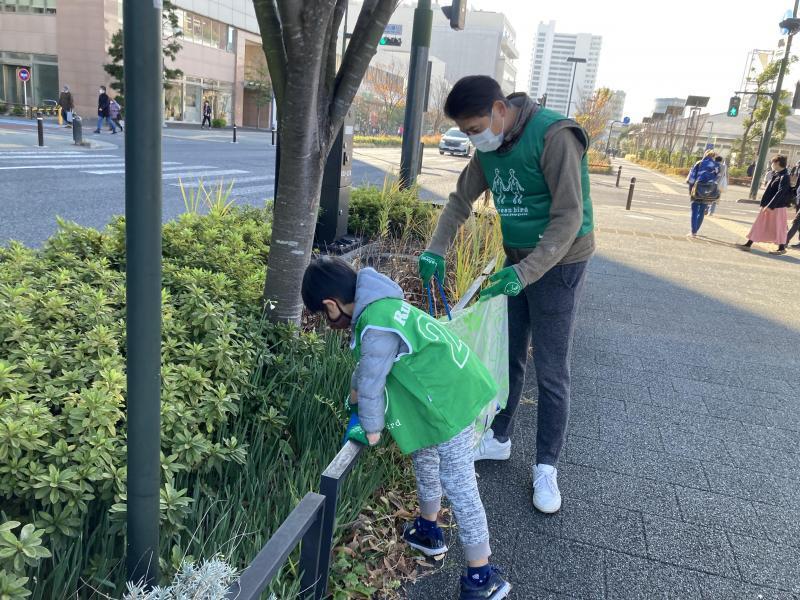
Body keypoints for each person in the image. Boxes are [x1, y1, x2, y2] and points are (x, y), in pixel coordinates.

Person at [418, 75, 594, 514]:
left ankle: (546, 467)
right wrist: (436, 249)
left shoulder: (555, 136)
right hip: (517, 257)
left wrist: (526, 272)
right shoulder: (488, 151)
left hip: (562, 261)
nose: (475, 138)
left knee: (552, 370)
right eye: (467, 132)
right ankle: (499, 438)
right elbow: (460, 200)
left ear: (500, 109)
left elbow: (569, 217)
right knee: (508, 355)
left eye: (476, 127)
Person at [302, 256, 511, 600]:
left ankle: (480, 574)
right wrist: (354, 395)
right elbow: (370, 367)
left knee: (458, 482)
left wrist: (370, 427)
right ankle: (428, 530)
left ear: (331, 304)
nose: (328, 323)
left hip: (449, 399)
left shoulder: (374, 322)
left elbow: (371, 383)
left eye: (325, 316)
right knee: (424, 456)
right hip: (436, 396)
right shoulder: (379, 304)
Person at [738, 155, 792, 255]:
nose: (771, 165)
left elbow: (780, 192)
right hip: (769, 205)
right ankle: (748, 244)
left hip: (777, 207)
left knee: (779, 226)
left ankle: (781, 248)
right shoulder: (777, 174)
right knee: (759, 224)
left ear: (777, 163)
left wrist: (770, 206)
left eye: (772, 162)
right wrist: (766, 205)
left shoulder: (784, 176)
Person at [686, 150, 719, 236]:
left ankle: (693, 231)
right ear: (713, 156)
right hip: (709, 191)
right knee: (702, 211)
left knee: (694, 210)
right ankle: (696, 230)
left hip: (697, 190)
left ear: (705, 155)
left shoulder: (699, 163)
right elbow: (716, 179)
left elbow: (692, 178)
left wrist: (690, 190)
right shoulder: (716, 166)